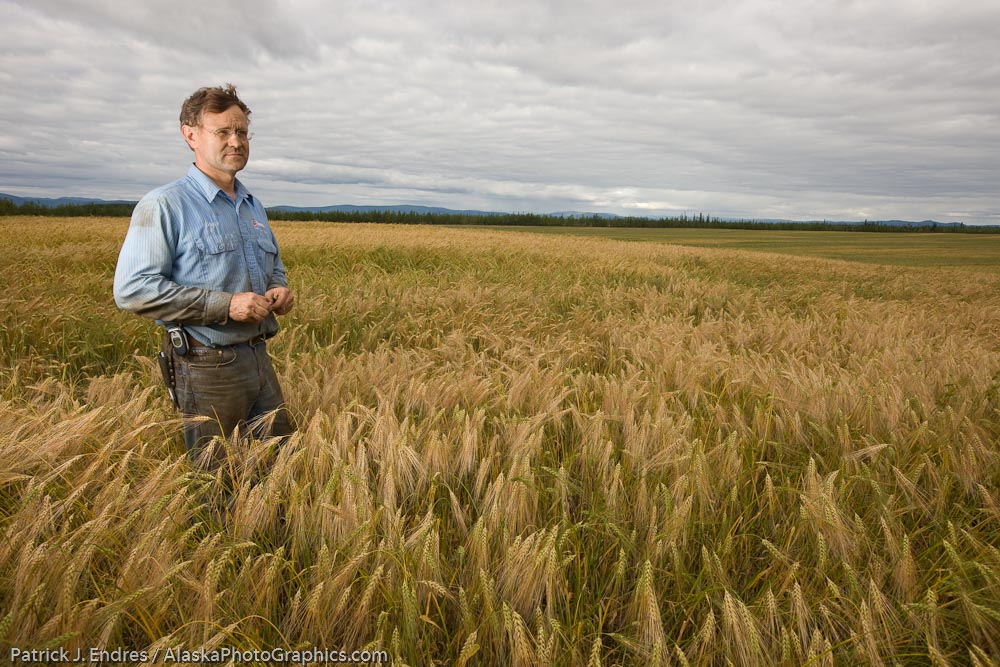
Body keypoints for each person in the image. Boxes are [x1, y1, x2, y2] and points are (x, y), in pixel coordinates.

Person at [114, 84, 296, 471]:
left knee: (280, 466)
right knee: (216, 477)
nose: (236, 142)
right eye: (223, 132)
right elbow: (133, 290)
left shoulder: (251, 204)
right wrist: (227, 305)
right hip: (206, 364)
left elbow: (273, 264)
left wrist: (278, 289)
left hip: (258, 357)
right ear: (190, 135)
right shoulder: (165, 204)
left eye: (242, 132)